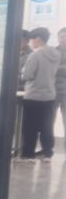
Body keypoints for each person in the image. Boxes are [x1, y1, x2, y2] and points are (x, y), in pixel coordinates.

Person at [19, 26, 61, 161]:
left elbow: (27, 75)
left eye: (32, 39)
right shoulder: (56, 53)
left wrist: (23, 71)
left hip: (34, 95)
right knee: (46, 126)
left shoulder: (35, 54)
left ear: (38, 39)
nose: (31, 42)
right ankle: (47, 153)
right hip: (49, 95)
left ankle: (28, 155)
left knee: (30, 127)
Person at [56, 27, 66, 140]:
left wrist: (58, 68)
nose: (64, 39)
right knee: (49, 120)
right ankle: (47, 148)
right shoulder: (53, 52)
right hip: (53, 90)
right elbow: (50, 69)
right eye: (62, 37)